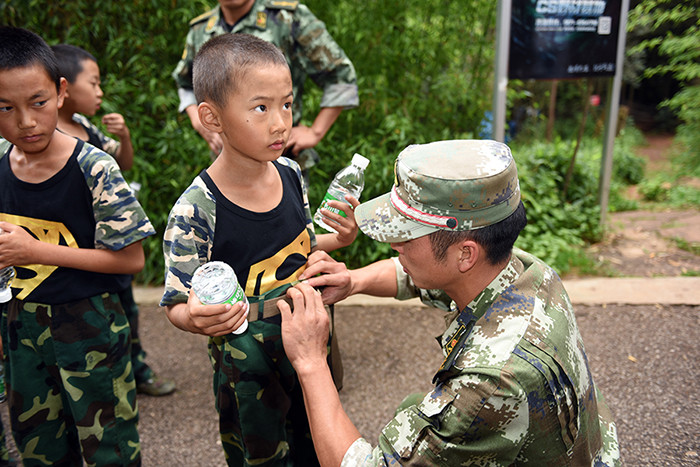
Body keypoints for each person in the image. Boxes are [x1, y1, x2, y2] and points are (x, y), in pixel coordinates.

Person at [279, 139, 621, 466]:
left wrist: (311, 361)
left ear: (466, 254)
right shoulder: (526, 271)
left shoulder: (490, 384)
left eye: (408, 234)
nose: (395, 243)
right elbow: (415, 274)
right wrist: (354, 281)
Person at [160, 33, 359, 466]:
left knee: (318, 439)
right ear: (211, 117)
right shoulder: (197, 209)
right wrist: (195, 317)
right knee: (260, 455)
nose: (280, 123)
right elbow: (176, 303)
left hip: (308, 336)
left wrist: (340, 239)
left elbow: (300, 244)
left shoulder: (289, 173)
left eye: (286, 104)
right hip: (246, 361)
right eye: (260, 108)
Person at [0, 27, 154, 466]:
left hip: (91, 331)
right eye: (5, 108)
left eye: (38, 102)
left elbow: (131, 259)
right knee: (39, 448)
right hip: (20, 331)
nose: (25, 121)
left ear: (61, 92)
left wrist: (36, 252)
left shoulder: (93, 167)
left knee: (110, 449)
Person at [51, 43, 176, 397]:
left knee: (126, 308)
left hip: (111, 243)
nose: (100, 92)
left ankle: (136, 369)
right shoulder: (44, 138)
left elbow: (124, 162)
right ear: (63, 87)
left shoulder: (85, 127)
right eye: (93, 83)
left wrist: (124, 136)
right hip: (75, 250)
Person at [172, 0, 359, 181]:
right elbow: (185, 82)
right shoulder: (201, 30)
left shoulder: (287, 17)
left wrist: (315, 132)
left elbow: (341, 75)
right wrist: (199, 122)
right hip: (228, 167)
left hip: (282, 160)